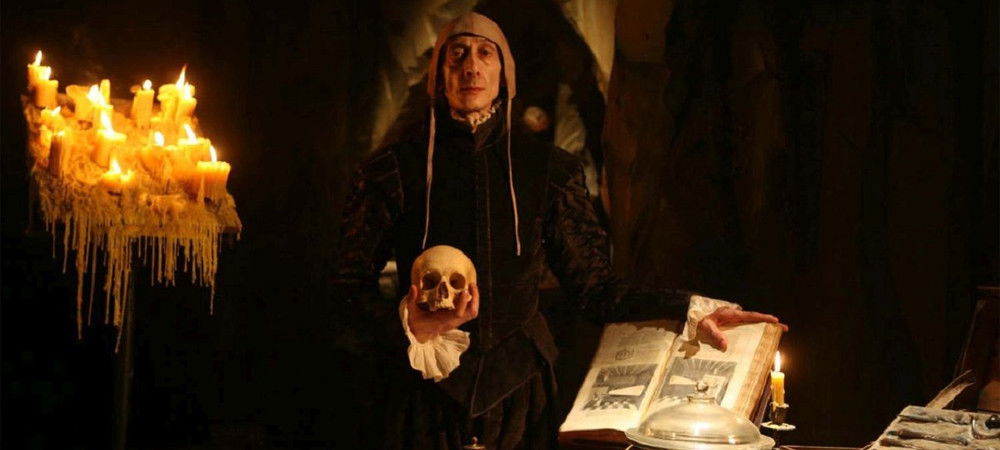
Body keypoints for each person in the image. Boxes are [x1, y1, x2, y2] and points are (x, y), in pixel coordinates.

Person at [331, 12, 785, 450]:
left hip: (519, 392)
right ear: (437, 74)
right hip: (421, 391)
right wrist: (406, 324)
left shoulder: (549, 170)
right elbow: (345, 291)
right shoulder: (392, 171)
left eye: (485, 53)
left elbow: (596, 290)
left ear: (504, 74)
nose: (471, 66)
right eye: (458, 53)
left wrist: (691, 308)